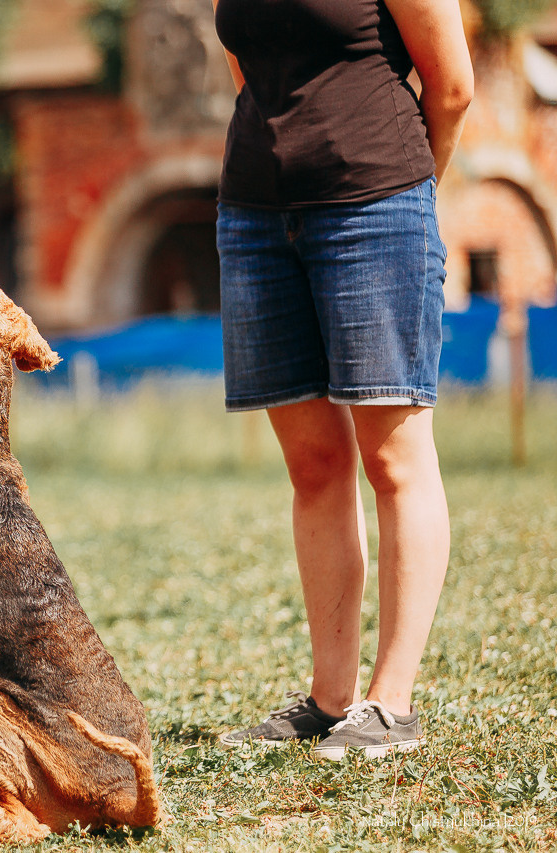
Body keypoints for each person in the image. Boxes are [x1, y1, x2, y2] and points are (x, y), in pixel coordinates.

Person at [210, 0, 473, 758]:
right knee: (313, 463)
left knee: (393, 458)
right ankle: (331, 700)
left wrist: (407, 190)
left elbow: (451, 85)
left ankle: (391, 704)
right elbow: (248, 66)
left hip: (375, 203)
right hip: (256, 212)